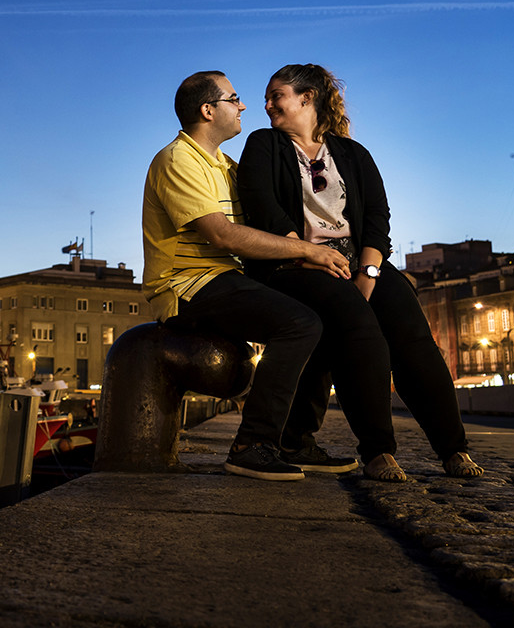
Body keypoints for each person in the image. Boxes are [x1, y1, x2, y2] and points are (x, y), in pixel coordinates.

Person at [237, 64, 483, 480]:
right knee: (360, 331)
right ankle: (378, 452)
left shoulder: (353, 154)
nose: (266, 105)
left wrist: (368, 272)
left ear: (307, 97)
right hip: (292, 263)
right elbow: (261, 205)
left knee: (412, 336)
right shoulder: (263, 145)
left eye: (275, 95)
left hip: (355, 261)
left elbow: (376, 217)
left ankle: (453, 449)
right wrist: (308, 254)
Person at [144, 70, 361, 482]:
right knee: (299, 323)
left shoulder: (225, 165)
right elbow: (223, 235)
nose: (244, 105)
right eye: (234, 97)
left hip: (228, 278)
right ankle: (251, 446)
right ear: (208, 110)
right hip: (187, 285)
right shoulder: (178, 159)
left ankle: (295, 440)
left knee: (330, 312)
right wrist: (308, 250)